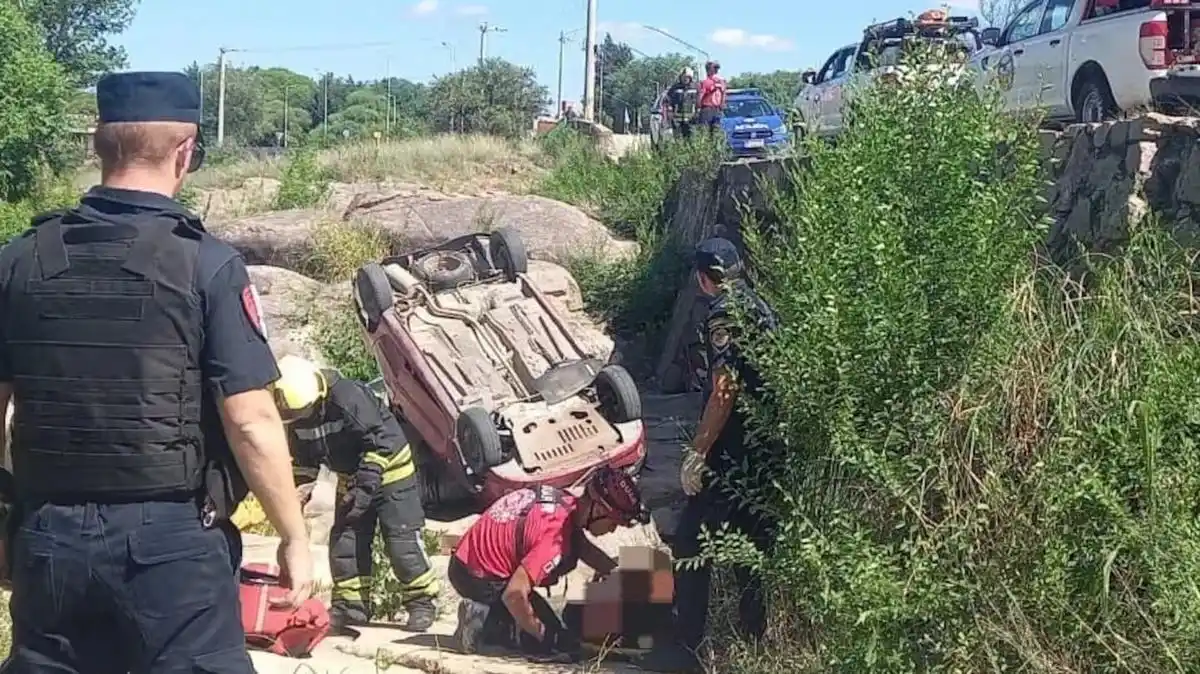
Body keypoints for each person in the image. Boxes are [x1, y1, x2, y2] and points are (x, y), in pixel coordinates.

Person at [0, 71, 312, 672]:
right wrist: (295, 537)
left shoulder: (19, 260)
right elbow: (249, 421)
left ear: (98, 143)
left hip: (47, 536)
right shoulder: (206, 264)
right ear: (186, 151)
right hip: (170, 550)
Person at [635, 237, 779, 673]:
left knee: (692, 542)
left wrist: (698, 453)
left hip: (729, 452)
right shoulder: (759, 305)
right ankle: (755, 637)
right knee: (751, 545)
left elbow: (724, 389)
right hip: (762, 448)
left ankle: (684, 647)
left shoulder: (724, 314)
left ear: (703, 279)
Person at [272, 355, 440, 634]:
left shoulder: (349, 397)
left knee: (401, 542)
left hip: (390, 471)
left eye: (303, 412)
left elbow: (381, 442)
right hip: (351, 478)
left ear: (319, 394)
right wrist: (296, 498)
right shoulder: (298, 411)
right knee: (345, 543)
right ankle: (351, 608)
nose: (301, 419)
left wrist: (365, 488)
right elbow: (305, 462)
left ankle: (422, 604)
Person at [449, 466, 650, 661]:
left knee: (532, 625)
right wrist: (542, 633)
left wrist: (616, 573)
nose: (612, 530)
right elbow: (515, 594)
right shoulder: (554, 539)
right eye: (613, 522)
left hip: (467, 561)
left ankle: (494, 617)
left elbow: (582, 547)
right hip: (478, 577)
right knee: (553, 642)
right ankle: (481, 619)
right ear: (597, 508)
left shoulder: (565, 502)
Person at [665, 67, 698, 140]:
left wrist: (696, 114)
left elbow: (698, 102)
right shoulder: (675, 88)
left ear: (690, 78)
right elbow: (667, 100)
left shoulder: (695, 88)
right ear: (680, 77)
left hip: (691, 120)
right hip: (677, 120)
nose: (685, 79)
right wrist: (669, 110)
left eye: (687, 77)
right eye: (683, 77)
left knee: (691, 141)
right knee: (678, 141)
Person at [696, 60, 728, 135]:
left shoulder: (705, 82)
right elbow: (724, 95)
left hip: (707, 109)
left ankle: (706, 146)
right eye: (715, 68)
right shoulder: (722, 81)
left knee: (705, 133)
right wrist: (722, 105)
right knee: (716, 132)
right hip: (717, 109)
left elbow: (700, 97)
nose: (716, 70)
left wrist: (697, 107)